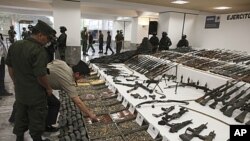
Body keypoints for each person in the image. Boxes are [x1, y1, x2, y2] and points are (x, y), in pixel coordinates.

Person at [6, 20, 54, 141]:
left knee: (20, 116)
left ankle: (19, 138)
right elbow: (40, 75)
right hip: (36, 94)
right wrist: (48, 88)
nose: (47, 41)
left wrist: (16, 82)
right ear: (40, 35)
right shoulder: (39, 50)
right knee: (37, 120)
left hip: (21, 92)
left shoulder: (15, 45)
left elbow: (10, 67)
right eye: (47, 38)